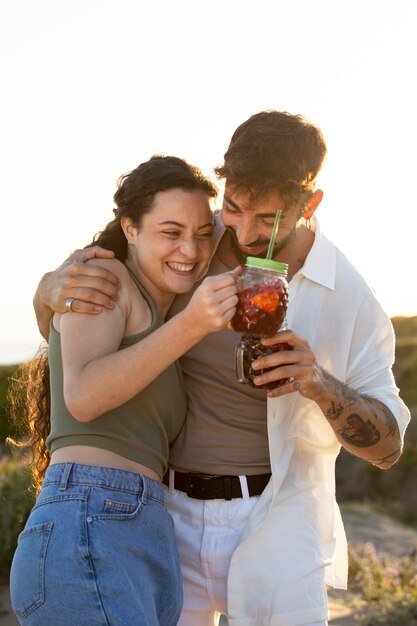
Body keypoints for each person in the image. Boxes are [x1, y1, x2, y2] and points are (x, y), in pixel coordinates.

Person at [32, 111, 411, 626]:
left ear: (311, 204)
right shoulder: (190, 242)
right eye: (233, 207)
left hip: (277, 523)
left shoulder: (348, 295)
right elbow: (92, 327)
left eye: (268, 218)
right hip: (160, 514)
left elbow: (388, 448)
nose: (244, 232)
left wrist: (319, 385)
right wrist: (47, 291)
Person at [9, 154, 239, 626]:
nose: (190, 252)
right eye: (170, 233)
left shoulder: (157, 308)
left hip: (140, 527)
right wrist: (193, 324)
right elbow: (85, 396)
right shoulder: (105, 278)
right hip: (91, 522)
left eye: (200, 235)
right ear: (130, 228)